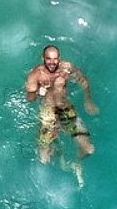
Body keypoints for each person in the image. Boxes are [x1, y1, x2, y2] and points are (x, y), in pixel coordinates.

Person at [25, 44, 98, 185]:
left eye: (55, 59)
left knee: (89, 149)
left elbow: (83, 81)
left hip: (65, 109)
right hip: (48, 113)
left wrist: (88, 100)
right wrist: (37, 91)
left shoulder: (66, 68)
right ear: (43, 58)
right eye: (48, 59)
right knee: (44, 159)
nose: (52, 62)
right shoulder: (36, 74)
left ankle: (74, 162)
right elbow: (29, 98)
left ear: (59, 58)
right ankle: (58, 153)